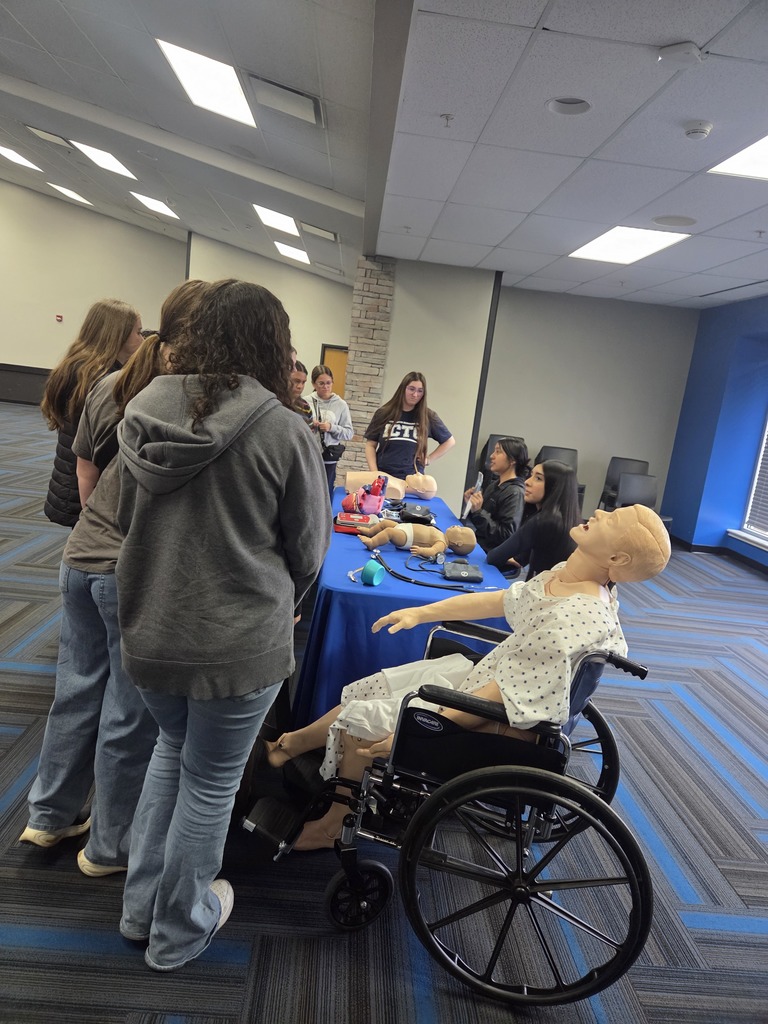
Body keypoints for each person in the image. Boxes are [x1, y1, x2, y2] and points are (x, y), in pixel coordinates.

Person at [115, 279, 331, 972]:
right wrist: (283, 601)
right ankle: (179, 931)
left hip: (150, 629)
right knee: (209, 781)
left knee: (168, 758)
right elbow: (308, 551)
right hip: (237, 645)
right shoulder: (281, 428)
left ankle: (139, 911)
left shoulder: (143, 405)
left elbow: (125, 524)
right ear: (272, 344)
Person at [265, 504, 671, 850]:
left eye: (611, 519)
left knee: (363, 727)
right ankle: (289, 745)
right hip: (486, 677)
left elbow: (502, 698)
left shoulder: (577, 615)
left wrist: (418, 730)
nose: (598, 511)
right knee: (374, 687)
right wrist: (422, 613)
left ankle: (334, 823)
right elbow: (501, 599)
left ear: (617, 560)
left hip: (488, 709)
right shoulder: (566, 577)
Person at [18, 294, 203, 869]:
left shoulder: (106, 387)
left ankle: (49, 816)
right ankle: (109, 845)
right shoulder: (187, 407)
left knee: (74, 693)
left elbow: (85, 478)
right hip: (128, 574)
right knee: (128, 714)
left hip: (79, 560)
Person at [41, 299, 144, 527]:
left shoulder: (77, 366)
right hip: (84, 489)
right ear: (117, 335)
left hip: (69, 481)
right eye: (138, 332)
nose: (143, 339)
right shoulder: (105, 381)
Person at [487, 460, 580, 580]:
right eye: (531, 475)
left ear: (554, 486)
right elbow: (523, 556)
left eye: (538, 478)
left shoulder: (544, 520)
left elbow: (494, 557)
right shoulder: (568, 518)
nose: (527, 482)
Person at [364, 372, 455, 480]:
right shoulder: (383, 413)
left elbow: (450, 441)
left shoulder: (428, 416)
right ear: (403, 389)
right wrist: (374, 472)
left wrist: (429, 459)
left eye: (420, 391)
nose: (415, 394)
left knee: (430, 488)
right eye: (411, 389)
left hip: (413, 477)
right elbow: (370, 445)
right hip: (383, 475)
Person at [463, 437, 530, 551]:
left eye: (498, 452)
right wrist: (471, 505)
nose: (492, 456)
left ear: (512, 460)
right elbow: (480, 523)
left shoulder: (515, 493)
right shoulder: (494, 485)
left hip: (490, 554)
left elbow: (505, 535)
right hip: (479, 545)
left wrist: (479, 512)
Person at [309, 364, 354, 503]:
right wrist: (311, 424)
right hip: (309, 454)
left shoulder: (341, 405)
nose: (325, 387)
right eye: (321, 383)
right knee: (307, 491)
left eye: (328, 383)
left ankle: (324, 523)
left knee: (325, 493)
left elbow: (349, 433)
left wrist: (331, 427)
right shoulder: (306, 401)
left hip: (329, 457)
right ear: (313, 384)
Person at [291, 359, 313, 427]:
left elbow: (310, 434)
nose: (300, 386)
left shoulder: (305, 407)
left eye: (303, 382)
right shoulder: (276, 403)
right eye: (296, 381)